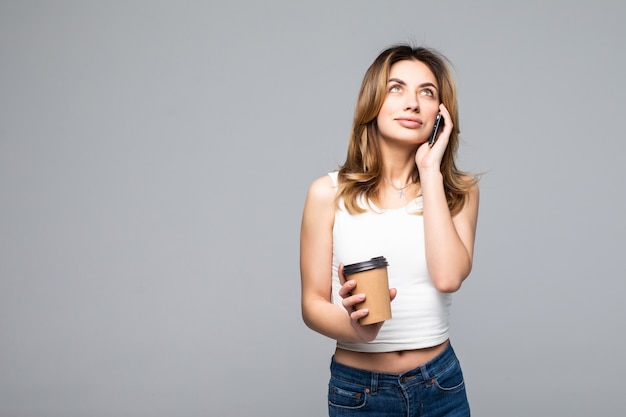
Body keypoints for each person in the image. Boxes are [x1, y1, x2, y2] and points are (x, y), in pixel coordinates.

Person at [300, 44, 479, 416]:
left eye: (426, 93)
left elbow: (447, 278)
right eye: (396, 88)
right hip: (359, 392)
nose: (412, 103)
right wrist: (356, 329)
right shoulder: (327, 193)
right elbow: (312, 304)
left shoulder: (458, 192)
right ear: (373, 102)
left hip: (440, 385)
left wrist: (430, 170)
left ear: (441, 114)